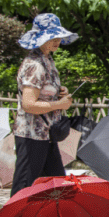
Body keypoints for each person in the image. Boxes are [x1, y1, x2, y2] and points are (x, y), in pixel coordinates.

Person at [10, 14, 76, 197]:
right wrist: (59, 104)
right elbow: (29, 104)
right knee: (24, 188)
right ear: (40, 38)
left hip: (46, 135)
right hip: (31, 135)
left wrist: (59, 91)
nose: (57, 41)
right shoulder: (34, 64)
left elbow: (43, 91)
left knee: (57, 187)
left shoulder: (47, 59)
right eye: (51, 37)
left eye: (58, 36)